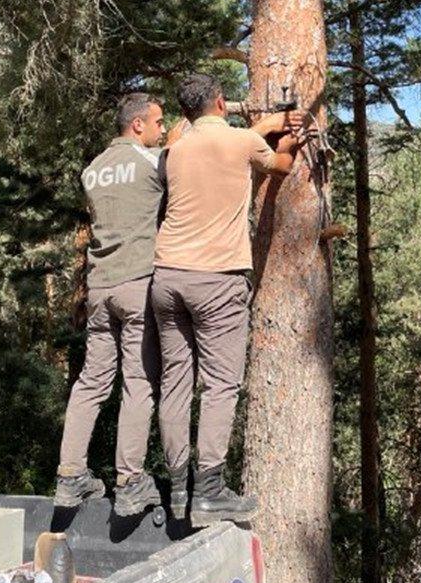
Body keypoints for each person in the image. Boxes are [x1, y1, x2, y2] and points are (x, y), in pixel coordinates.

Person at [150, 73, 303, 526]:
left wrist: (260, 121)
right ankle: (211, 489)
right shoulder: (241, 144)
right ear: (220, 101)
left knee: (176, 381)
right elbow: (280, 165)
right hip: (216, 279)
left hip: (166, 278)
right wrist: (289, 135)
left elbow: (216, 141)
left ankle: (178, 487)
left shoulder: (173, 150)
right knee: (220, 384)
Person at [54, 93, 167, 514]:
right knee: (138, 383)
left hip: (100, 288)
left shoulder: (93, 169)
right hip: (138, 282)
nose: (160, 130)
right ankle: (130, 480)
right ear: (137, 125)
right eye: (157, 122)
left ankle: (70, 475)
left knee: (91, 383)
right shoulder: (152, 162)